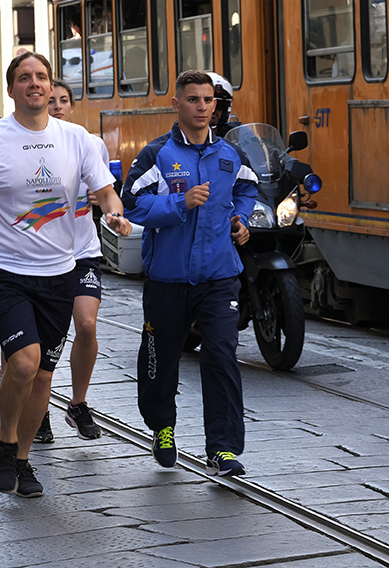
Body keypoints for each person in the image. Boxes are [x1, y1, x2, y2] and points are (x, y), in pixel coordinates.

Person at [0, 51, 131, 498]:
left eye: (42, 77)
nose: (35, 84)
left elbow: (105, 192)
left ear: (52, 85)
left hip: (60, 274)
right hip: (3, 271)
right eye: (25, 78)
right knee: (24, 361)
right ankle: (3, 441)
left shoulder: (77, 139)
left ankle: (22, 458)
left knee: (42, 377)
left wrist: (114, 215)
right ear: (11, 88)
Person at [121, 69, 258, 477]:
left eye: (208, 100)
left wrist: (240, 218)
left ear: (216, 105)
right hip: (168, 278)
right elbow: (132, 206)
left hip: (218, 276)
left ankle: (224, 448)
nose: (202, 107)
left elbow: (246, 189)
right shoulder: (157, 155)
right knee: (161, 359)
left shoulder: (230, 155)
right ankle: (162, 426)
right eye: (193, 99)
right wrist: (180, 205)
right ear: (176, 104)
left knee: (220, 354)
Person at [43, 78, 107, 442]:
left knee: (86, 326)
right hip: (39, 259)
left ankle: (78, 403)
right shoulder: (26, 144)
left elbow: (106, 190)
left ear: (72, 104)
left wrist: (108, 205)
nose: (57, 107)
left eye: (63, 100)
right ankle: (38, 409)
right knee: (43, 342)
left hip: (82, 253)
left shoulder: (89, 143)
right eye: (51, 101)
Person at [208, 72, 239, 138]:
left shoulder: (236, 132)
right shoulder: (185, 134)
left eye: (220, 105)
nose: (213, 110)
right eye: (209, 104)